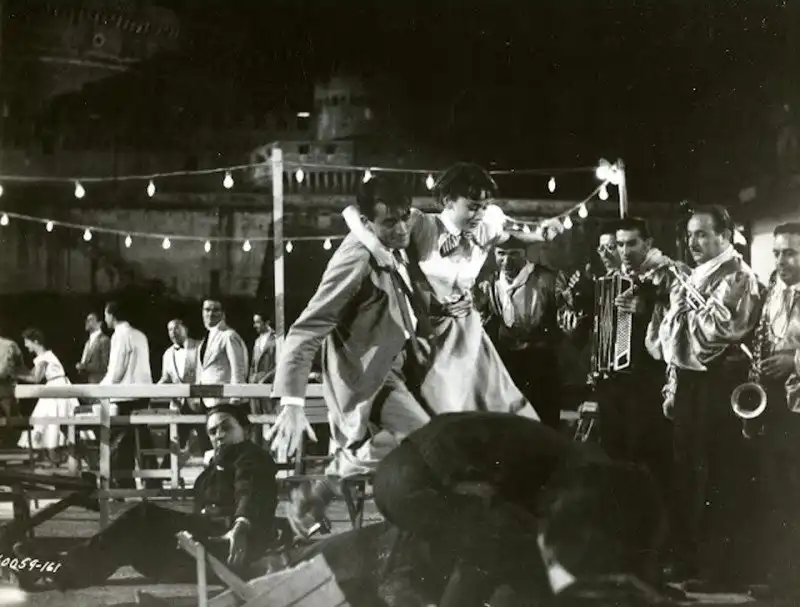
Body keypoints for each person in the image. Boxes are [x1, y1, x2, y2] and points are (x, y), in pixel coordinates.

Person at [363, 412, 670, 606]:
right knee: (495, 548)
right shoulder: (581, 475)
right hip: (418, 479)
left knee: (507, 547)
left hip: (402, 474)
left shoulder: (576, 465)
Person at [269, 174, 433, 538]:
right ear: (367, 223)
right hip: (368, 378)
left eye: (404, 217)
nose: (401, 228)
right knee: (424, 438)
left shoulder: (397, 236)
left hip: (402, 368)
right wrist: (291, 402)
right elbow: (306, 330)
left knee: (445, 436)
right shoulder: (356, 258)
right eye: (390, 222)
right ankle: (329, 482)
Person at [342, 163, 543, 418]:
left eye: (484, 207)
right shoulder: (423, 225)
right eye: (472, 207)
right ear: (448, 201)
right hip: (429, 332)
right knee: (443, 408)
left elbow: (511, 238)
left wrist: (541, 235)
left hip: (467, 330)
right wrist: (375, 247)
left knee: (501, 406)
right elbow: (350, 213)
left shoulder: (484, 230)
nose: (479, 214)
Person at [8, 405, 281, 592]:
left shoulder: (251, 456)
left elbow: (250, 488)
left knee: (143, 517)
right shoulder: (219, 464)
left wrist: (242, 525)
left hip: (233, 544)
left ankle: (57, 569)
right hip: (205, 545)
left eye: (225, 428)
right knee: (129, 539)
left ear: (245, 429)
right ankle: (51, 568)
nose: (218, 436)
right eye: (212, 431)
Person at [649, 205, 761, 591]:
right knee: (686, 472)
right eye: (690, 234)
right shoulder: (696, 275)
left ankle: (718, 568)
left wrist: (681, 314)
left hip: (718, 383)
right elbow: (667, 342)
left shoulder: (739, 276)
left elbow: (714, 335)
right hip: (690, 382)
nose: (692, 242)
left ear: (724, 236)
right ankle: (689, 559)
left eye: (702, 234)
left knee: (716, 474)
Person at [589, 217, 677, 501]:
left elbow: (680, 320)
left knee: (646, 451)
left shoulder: (667, 273)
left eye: (632, 244)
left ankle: (649, 510)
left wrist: (648, 309)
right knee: (615, 449)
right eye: (620, 244)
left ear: (648, 243)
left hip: (648, 380)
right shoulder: (618, 276)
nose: (624, 251)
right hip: (615, 379)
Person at [746, 222, 800, 598]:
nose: (782, 261)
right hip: (777, 403)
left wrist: (793, 361)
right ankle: (783, 580)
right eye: (777, 253)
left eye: (791, 253)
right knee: (777, 493)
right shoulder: (774, 292)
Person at [476, 239, 565, 428]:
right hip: (507, 359)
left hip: (540, 358)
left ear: (525, 253)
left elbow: (565, 319)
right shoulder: (491, 282)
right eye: (501, 254)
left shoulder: (547, 279)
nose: (507, 260)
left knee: (544, 417)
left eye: (513, 254)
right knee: (511, 419)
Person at [101, 300, 158, 490]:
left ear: (111, 315)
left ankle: (123, 483)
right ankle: (152, 481)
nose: (105, 319)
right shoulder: (139, 334)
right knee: (142, 436)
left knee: (120, 440)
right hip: (143, 393)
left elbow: (117, 370)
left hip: (124, 395)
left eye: (105, 315)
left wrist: (100, 389)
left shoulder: (120, 335)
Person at [16, 328, 93, 464]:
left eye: (27, 342)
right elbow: (31, 373)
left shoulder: (44, 357)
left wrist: (14, 374)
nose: (26, 345)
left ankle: (59, 455)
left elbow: (35, 378)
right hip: (56, 385)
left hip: (56, 387)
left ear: (35, 341)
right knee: (50, 419)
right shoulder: (45, 356)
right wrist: (18, 371)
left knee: (51, 419)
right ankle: (55, 455)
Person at [157, 318, 208, 464]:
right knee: (172, 445)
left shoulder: (199, 346)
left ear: (185, 329)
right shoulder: (167, 354)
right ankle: (167, 473)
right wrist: (153, 389)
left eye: (176, 328)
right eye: (169, 329)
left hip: (199, 403)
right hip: (178, 405)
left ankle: (214, 472)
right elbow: (165, 378)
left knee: (207, 444)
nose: (173, 332)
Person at [196, 299, 249, 409]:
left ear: (223, 314)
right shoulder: (206, 338)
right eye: (207, 310)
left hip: (225, 401)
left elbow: (238, 368)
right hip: (207, 400)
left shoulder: (228, 335)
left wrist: (236, 396)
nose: (211, 314)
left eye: (216, 310)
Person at [249, 312, 277, 444]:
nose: (255, 325)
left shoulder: (276, 340)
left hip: (269, 384)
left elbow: (279, 365)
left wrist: (265, 379)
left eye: (258, 322)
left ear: (267, 323)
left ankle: (275, 451)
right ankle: (257, 450)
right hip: (254, 386)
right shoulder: (257, 341)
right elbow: (253, 364)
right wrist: (251, 380)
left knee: (272, 419)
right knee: (256, 421)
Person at [0, 328, 23, 447]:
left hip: (5, 387)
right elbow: (19, 365)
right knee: (10, 420)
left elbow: (19, 364)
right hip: (6, 387)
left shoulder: (9, 345)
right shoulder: (11, 344)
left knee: (10, 419)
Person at [75, 312, 110, 386]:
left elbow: (104, 366)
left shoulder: (104, 340)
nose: (87, 321)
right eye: (87, 319)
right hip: (85, 383)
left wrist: (84, 366)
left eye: (90, 319)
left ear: (99, 324)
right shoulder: (87, 342)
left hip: (97, 384)